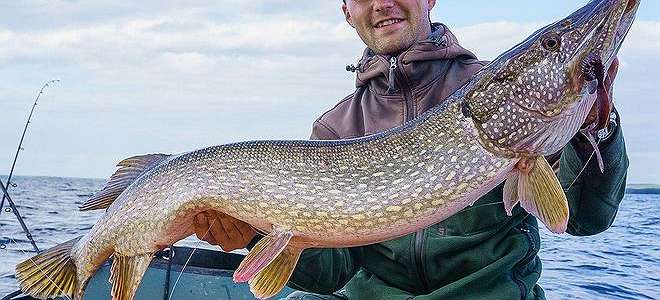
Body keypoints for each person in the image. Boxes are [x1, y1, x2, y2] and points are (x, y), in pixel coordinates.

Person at [193, 0, 629, 299]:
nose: (382, 1)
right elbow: (334, 270)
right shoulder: (337, 127)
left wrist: (597, 128)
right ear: (347, 12)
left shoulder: (493, 94)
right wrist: (253, 234)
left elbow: (587, 217)